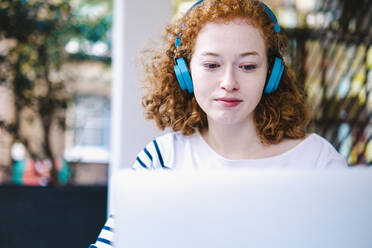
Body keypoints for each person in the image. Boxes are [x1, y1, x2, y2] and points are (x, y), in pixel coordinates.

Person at [89, 0, 348, 247]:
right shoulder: (161, 159)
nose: (229, 82)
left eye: (247, 66)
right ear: (185, 73)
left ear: (271, 74)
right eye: (212, 64)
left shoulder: (318, 162)